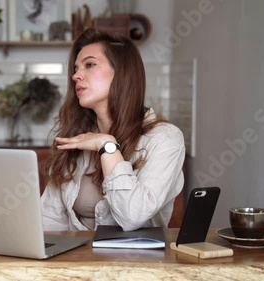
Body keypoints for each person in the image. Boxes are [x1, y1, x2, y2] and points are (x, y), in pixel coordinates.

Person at [40, 28, 186, 231]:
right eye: (75, 68)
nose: (76, 76)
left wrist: (107, 146)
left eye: (89, 65)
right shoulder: (75, 138)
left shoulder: (165, 138)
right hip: (76, 261)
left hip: (135, 262)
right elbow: (49, 217)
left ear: (122, 73)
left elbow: (133, 217)